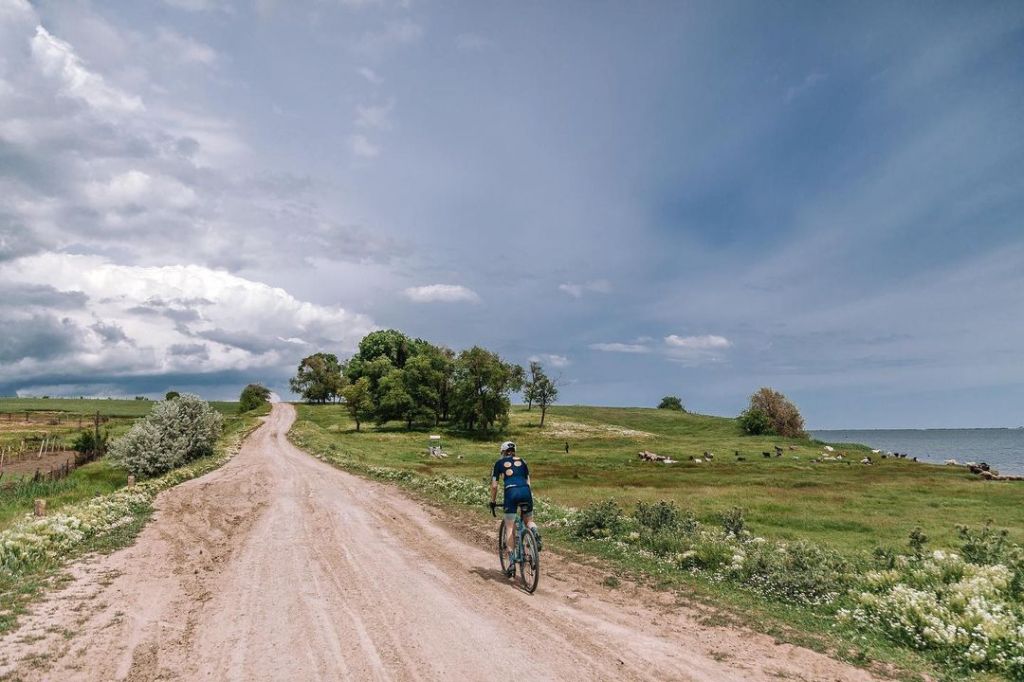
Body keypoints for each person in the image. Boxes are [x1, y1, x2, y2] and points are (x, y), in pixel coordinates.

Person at [489, 441, 541, 573]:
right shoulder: (523, 461)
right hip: (526, 492)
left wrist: (493, 501)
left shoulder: (498, 463)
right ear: (514, 452)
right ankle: (534, 531)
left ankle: (512, 562)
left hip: (511, 493)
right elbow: (528, 482)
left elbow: (494, 486)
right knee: (528, 521)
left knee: (510, 526)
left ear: (502, 452)